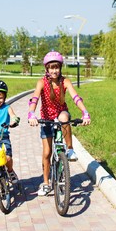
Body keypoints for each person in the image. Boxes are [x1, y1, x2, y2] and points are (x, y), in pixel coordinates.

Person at [28, 51, 91, 196]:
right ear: (46, 69)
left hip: (61, 114)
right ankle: (45, 183)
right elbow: (34, 99)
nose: (54, 70)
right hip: (46, 120)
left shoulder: (65, 82)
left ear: (60, 68)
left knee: (64, 117)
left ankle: (69, 149)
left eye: (57, 67)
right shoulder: (41, 82)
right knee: (47, 152)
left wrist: (85, 112)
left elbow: (76, 98)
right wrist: (31, 113)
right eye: (51, 67)